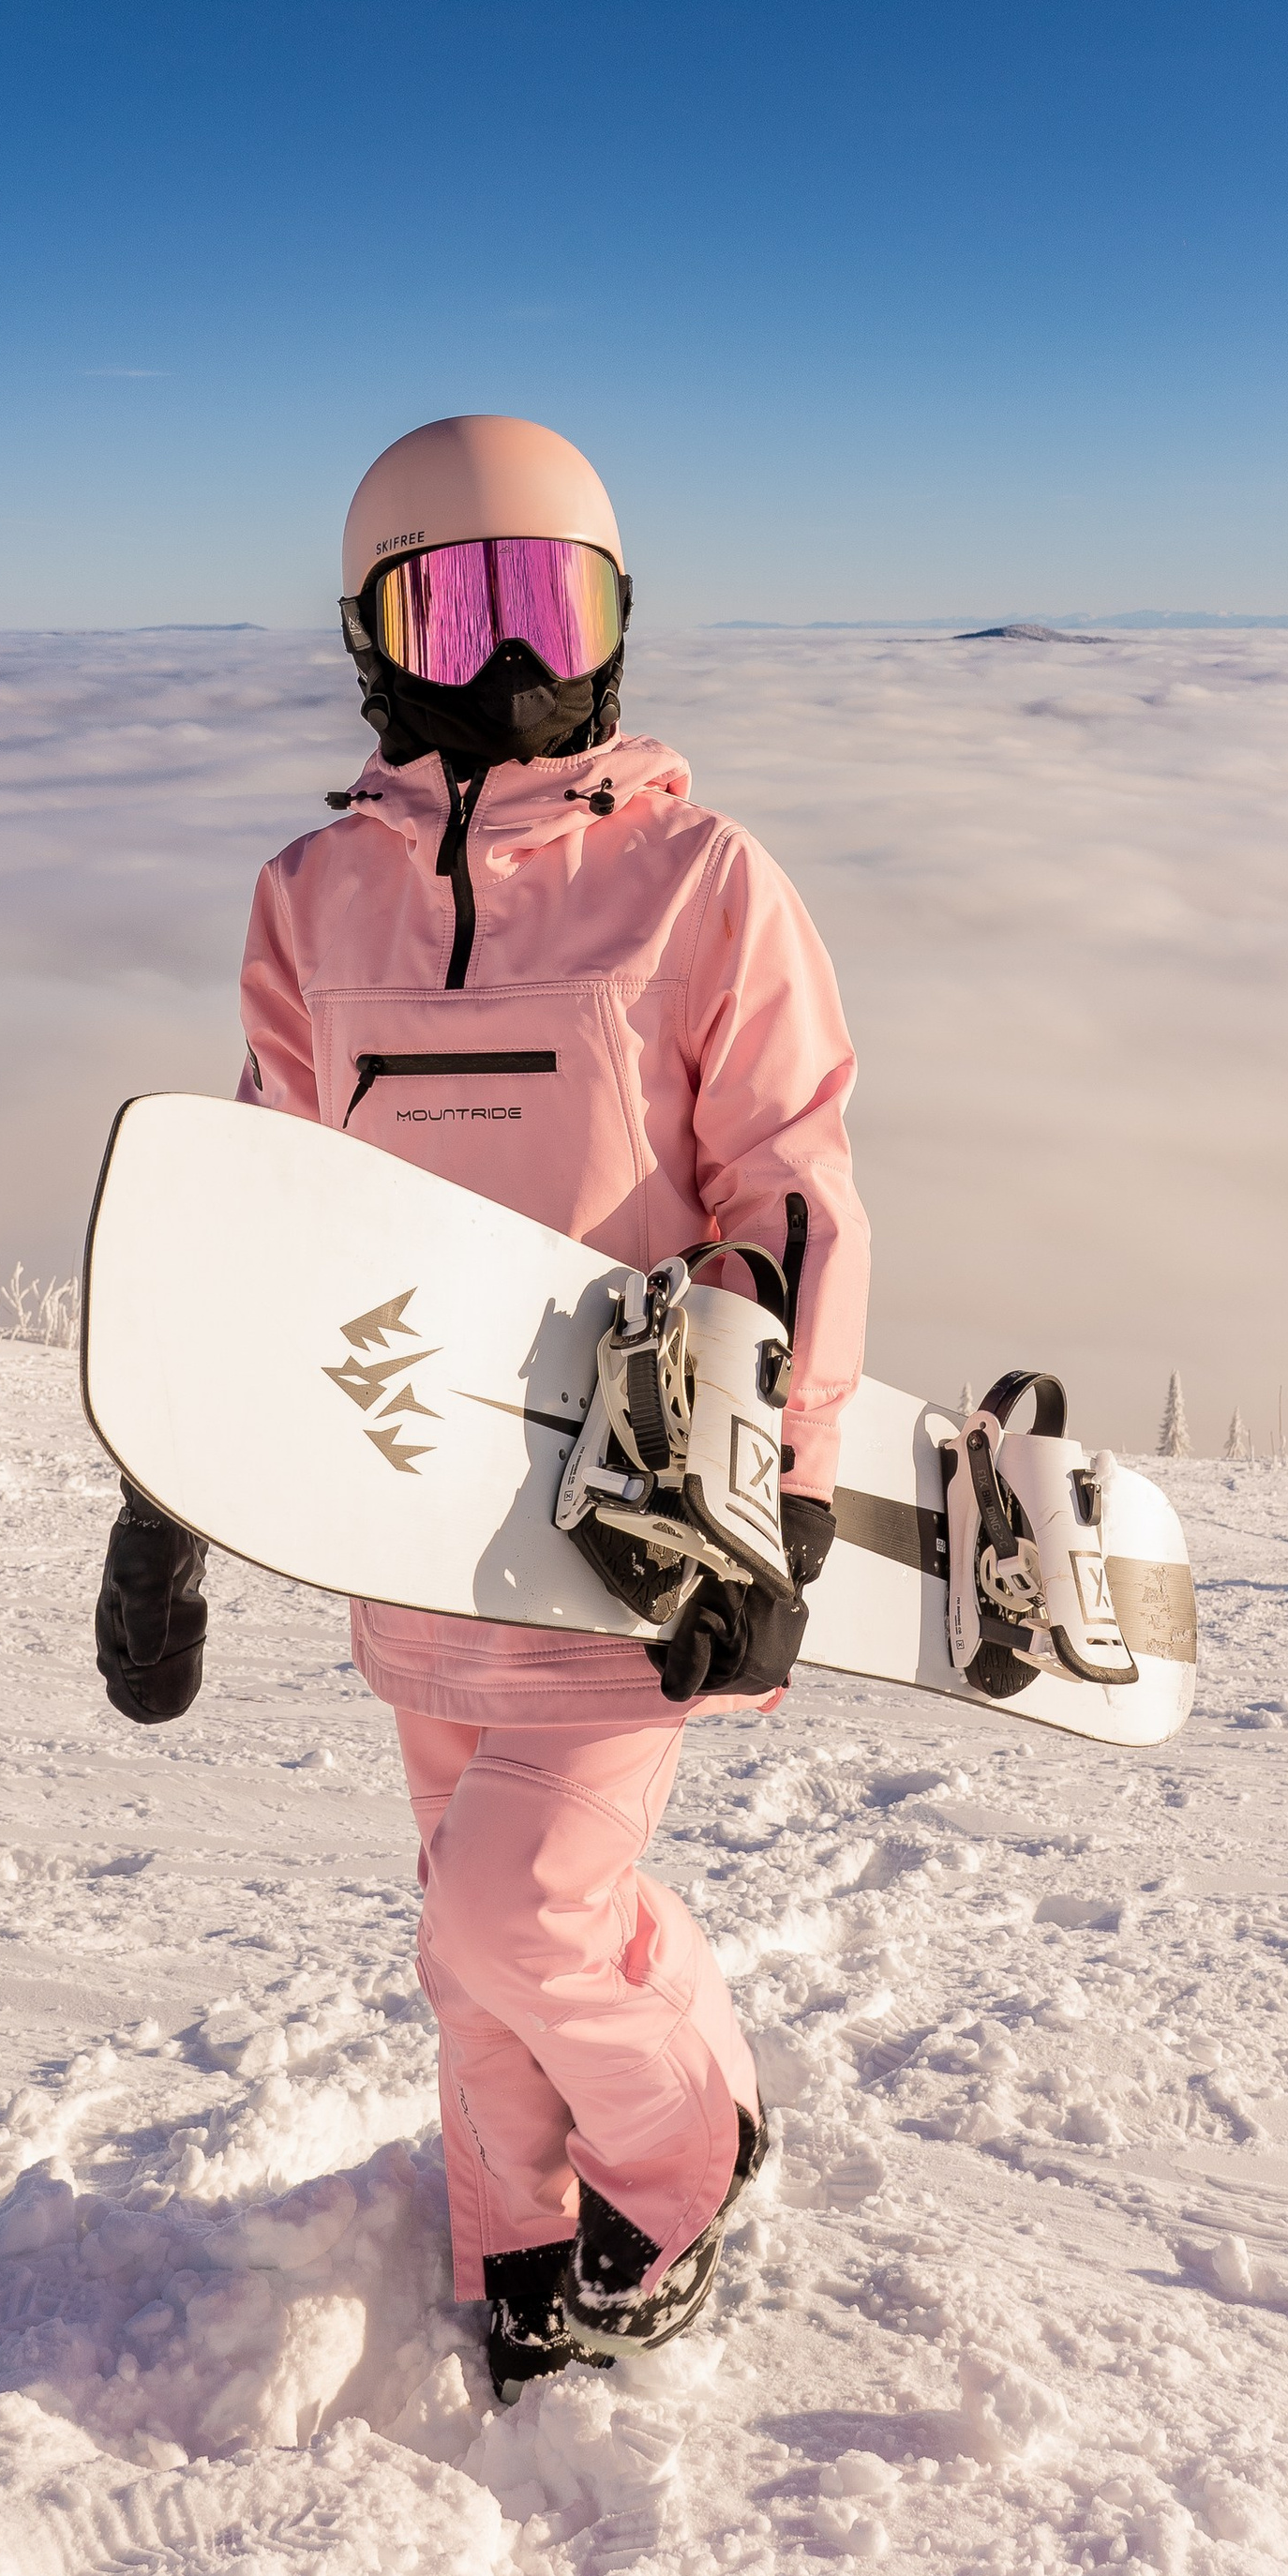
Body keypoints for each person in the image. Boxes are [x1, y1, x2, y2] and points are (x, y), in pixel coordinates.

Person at [96, 414, 869, 2399]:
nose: (511, 669)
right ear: (374, 642)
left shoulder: (702, 879)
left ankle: (686, 2166)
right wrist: (165, 1496)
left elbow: (782, 1190)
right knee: (471, 1924)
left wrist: (768, 1493)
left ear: (618, 626)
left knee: (527, 1908)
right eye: (458, 611)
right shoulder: (309, 902)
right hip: (398, 1512)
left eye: (557, 603)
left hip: (624, 1524)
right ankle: (512, 2229)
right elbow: (262, 1207)